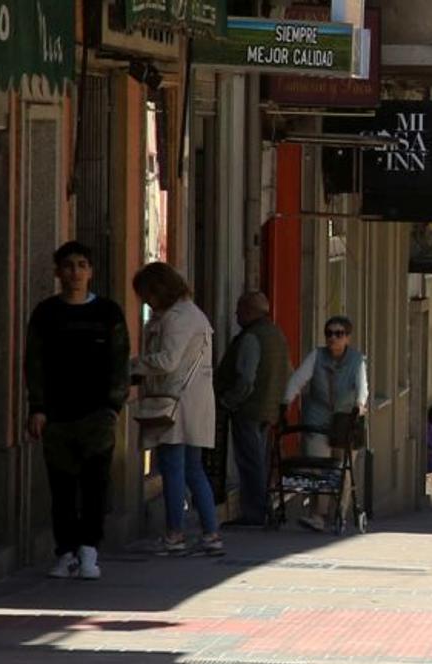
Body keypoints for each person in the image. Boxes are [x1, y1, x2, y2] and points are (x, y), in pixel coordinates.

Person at [25, 241, 129, 580]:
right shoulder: (46, 314)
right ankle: (65, 551)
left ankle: (89, 551)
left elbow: (119, 362)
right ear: (58, 272)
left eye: (82, 265)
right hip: (57, 416)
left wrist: (113, 407)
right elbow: (34, 363)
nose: (75, 272)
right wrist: (37, 408)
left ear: (91, 272)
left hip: (97, 415)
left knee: (95, 485)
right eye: (68, 265)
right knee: (62, 489)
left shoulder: (108, 314)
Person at [130, 262, 223, 556]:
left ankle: (175, 534)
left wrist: (133, 365)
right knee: (193, 469)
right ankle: (211, 534)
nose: (145, 301)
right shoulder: (192, 314)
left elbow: (167, 360)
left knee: (172, 468)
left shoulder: (178, 318)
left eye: (146, 294)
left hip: (177, 404)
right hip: (192, 402)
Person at [282, 315, 369, 532]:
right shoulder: (317, 356)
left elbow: (362, 387)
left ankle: (338, 512)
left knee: (343, 469)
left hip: (344, 420)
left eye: (338, 334)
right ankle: (317, 515)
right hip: (317, 416)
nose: (333, 338)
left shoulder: (357, 360)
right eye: (329, 333)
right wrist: (286, 402)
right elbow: (298, 379)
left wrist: (359, 405)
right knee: (318, 467)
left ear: (347, 338)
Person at [216, 291, 289, 527]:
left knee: (250, 462)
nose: (235, 314)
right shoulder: (277, 334)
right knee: (258, 460)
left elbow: (246, 380)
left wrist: (228, 401)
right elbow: (288, 372)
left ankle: (254, 512)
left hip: (249, 410)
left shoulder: (251, 337)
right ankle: (260, 509)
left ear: (249, 311)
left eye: (239, 309)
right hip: (268, 409)